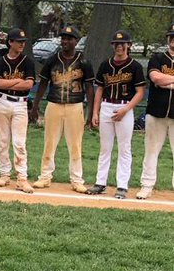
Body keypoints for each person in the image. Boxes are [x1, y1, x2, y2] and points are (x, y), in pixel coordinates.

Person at [30, 25, 94, 193]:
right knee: (50, 142)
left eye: (69, 38)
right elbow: (43, 83)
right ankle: (45, 177)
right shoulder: (52, 59)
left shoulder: (83, 61)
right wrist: (35, 106)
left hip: (75, 106)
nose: (65, 41)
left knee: (75, 144)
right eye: (63, 38)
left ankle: (77, 179)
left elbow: (89, 87)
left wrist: (91, 111)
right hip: (54, 104)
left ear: (76, 41)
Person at [88, 30, 146, 199]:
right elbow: (99, 89)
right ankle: (100, 182)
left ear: (129, 45)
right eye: (116, 43)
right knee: (105, 148)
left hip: (124, 107)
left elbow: (140, 92)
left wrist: (126, 110)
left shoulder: (134, 66)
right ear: (112, 46)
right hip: (106, 105)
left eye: (122, 43)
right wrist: (95, 112)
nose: (119, 46)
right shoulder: (106, 65)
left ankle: (122, 186)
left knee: (124, 148)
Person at [0, 28, 36, 193]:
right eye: (19, 41)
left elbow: (29, 84)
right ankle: (4, 174)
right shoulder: (0, 61)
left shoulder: (27, 61)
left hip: (20, 104)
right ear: (10, 42)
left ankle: (22, 178)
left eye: (23, 42)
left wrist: (10, 82)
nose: (22, 44)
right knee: (2, 140)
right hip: (2, 101)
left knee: (19, 142)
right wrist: (18, 80)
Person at [135, 24, 174, 199]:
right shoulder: (157, 57)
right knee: (151, 150)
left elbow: (162, 80)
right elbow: (155, 78)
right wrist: (164, 81)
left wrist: (167, 81)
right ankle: (147, 185)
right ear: (168, 39)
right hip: (156, 112)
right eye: (172, 36)